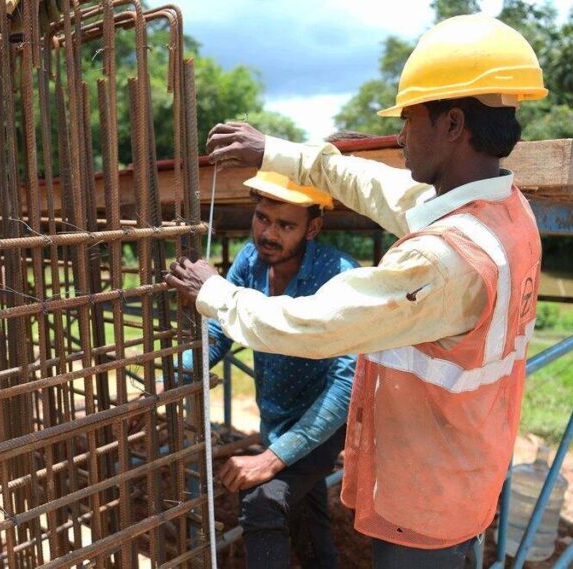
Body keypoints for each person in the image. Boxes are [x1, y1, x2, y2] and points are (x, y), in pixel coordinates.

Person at [166, 14, 547, 568]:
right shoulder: (505, 213)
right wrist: (275, 151)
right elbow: (372, 184)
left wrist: (214, 293)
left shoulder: (444, 261)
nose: (398, 136)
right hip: (461, 464)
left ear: (453, 123)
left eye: (410, 119)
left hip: (424, 495)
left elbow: (313, 325)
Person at [182, 171, 356, 568]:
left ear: (312, 227)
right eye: (262, 218)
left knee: (262, 501)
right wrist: (178, 375)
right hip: (277, 413)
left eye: (285, 225)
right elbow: (220, 330)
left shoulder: (339, 275)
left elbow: (345, 384)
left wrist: (271, 458)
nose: (269, 233)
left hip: (324, 419)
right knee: (305, 518)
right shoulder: (250, 260)